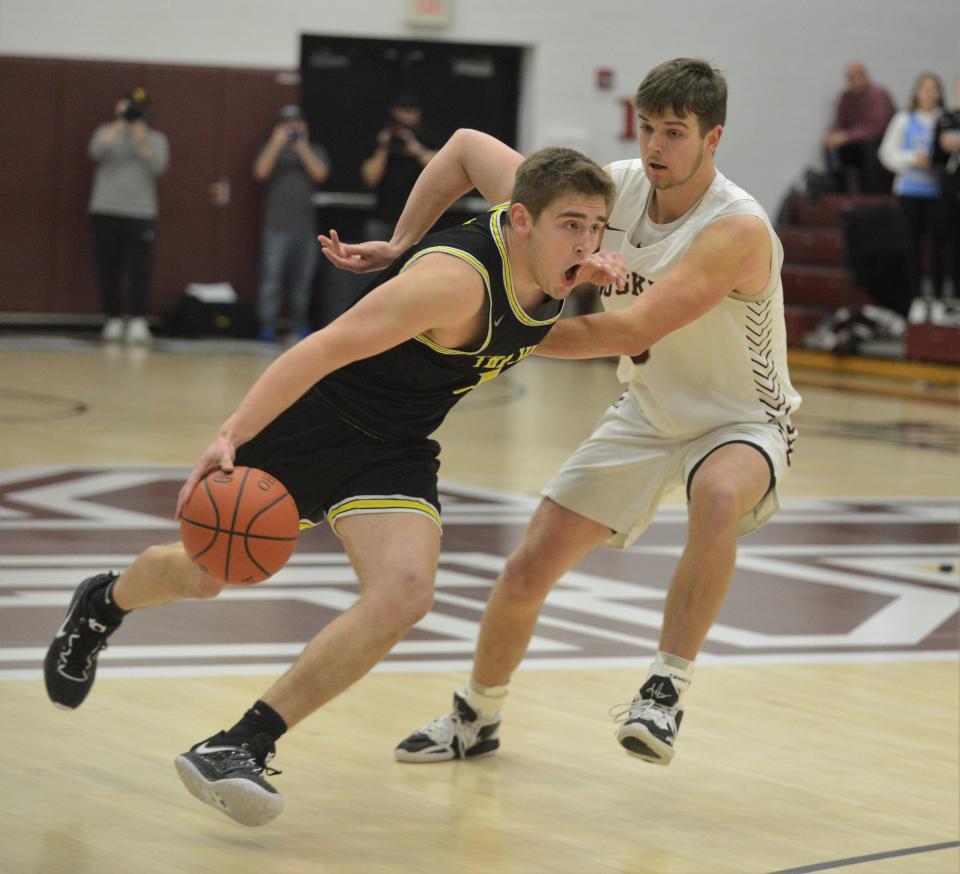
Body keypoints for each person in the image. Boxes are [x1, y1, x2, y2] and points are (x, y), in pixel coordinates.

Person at [43, 147, 619, 827]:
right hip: (315, 419)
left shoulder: (545, 207)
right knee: (208, 576)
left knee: (405, 593)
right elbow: (323, 347)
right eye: (571, 226)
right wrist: (231, 432)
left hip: (396, 445)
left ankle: (240, 743)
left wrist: (399, 243)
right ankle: (102, 603)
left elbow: (465, 144)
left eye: (597, 228)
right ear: (520, 219)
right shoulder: (450, 286)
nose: (586, 241)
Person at [323, 57, 801, 769]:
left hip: (742, 419)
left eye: (675, 132)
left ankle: (663, 689)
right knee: (526, 568)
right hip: (646, 410)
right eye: (647, 128)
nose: (655, 147)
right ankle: (476, 717)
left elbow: (629, 329)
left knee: (720, 493)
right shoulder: (611, 193)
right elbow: (462, 150)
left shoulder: (736, 229)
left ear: (714, 138)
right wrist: (404, 244)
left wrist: (491, 330)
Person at [88, 88, 169, 344]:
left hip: (140, 212)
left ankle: (138, 320)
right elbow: (96, 151)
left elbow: (158, 165)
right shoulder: (105, 132)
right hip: (106, 208)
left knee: (140, 270)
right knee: (108, 267)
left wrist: (139, 137)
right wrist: (120, 123)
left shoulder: (156, 139)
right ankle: (112, 318)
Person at [253, 105, 331, 341]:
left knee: (302, 282)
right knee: (271, 281)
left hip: (306, 229)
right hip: (275, 227)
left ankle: (298, 326)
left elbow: (320, 175)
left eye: (296, 122)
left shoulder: (314, 149)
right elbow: (260, 172)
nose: (292, 128)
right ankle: (267, 326)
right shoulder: (270, 150)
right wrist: (276, 144)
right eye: (287, 123)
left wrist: (303, 147)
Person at [879, 72, 946, 312]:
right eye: (925, 88)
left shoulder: (944, 119)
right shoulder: (904, 119)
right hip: (909, 191)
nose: (929, 93)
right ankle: (916, 298)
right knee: (911, 246)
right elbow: (886, 154)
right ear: (917, 92)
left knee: (939, 246)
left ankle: (939, 298)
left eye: (934, 89)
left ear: (939, 93)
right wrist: (912, 159)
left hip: (937, 192)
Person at [359, 92, 437, 242]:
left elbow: (442, 169)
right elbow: (370, 178)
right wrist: (383, 148)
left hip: (419, 221)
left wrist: (416, 150)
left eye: (409, 111)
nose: (404, 117)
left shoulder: (426, 138)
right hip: (383, 217)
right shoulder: (381, 139)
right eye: (401, 111)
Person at [823, 62, 895, 194]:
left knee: (869, 146)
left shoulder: (879, 95)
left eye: (857, 76)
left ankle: (873, 193)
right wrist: (833, 137)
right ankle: (839, 190)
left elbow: (877, 128)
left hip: (878, 144)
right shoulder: (845, 97)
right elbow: (839, 124)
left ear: (865, 76)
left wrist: (847, 136)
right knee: (830, 146)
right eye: (850, 78)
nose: (854, 81)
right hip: (854, 144)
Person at [930, 75, 960, 306]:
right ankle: (943, 295)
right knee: (945, 240)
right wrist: (943, 148)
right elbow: (935, 158)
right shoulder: (946, 119)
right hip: (949, 187)